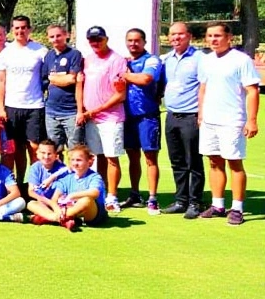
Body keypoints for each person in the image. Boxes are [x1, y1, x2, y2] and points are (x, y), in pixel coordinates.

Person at [195, 22, 259, 225]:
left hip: (232, 121)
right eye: (210, 36)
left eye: (217, 36)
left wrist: (252, 120)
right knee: (214, 162)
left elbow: (252, 91)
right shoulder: (205, 60)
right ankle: (218, 205)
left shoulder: (241, 60)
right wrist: (201, 113)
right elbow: (203, 89)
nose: (213, 40)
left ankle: (237, 208)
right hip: (209, 121)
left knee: (235, 163)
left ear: (229, 37)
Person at [78, 26, 128, 213]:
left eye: (98, 39)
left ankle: (113, 197)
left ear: (106, 39)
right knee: (98, 157)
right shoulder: (88, 60)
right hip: (91, 119)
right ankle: (101, 192)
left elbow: (120, 95)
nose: (95, 43)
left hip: (110, 117)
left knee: (111, 158)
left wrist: (95, 110)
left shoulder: (117, 60)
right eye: (92, 40)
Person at [159, 22, 204, 218]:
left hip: (191, 116)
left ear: (189, 36)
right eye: (172, 34)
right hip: (171, 116)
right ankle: (181, 200)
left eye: (180, 34)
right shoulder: (167, 59)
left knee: (193, 161)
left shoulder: (200, 58)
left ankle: (195, 202)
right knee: (176, 161)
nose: (176, 38)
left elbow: (205, 87)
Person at [0, 16, 47, 184]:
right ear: (12, 30)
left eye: (23, 27)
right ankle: (17, 184)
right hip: (12, 107)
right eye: (16, 28)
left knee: (34, 148)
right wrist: (1, 108)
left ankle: (36, 185)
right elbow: (1, 81)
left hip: (35, 106)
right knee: (15, 149)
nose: (20, 31)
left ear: (29, 29)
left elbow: (48, 77)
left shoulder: (40, 51)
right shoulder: (6, 53)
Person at [120, 28, 163, 214]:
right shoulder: (124, 61)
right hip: (128, 116)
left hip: (148, 116)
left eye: (137, 40)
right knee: (132, 157)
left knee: (150, 158)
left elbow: (146, 78)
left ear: (144, 42)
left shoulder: (152, 60)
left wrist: (126, 75)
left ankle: (153, 198)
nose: (133, 44)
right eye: (129, 40)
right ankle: (135, 194)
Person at [27, 145, 107, 231]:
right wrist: (58, 210)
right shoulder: (67, 178)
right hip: (67, 210)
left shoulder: (94, 177)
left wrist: (72, 196)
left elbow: (95, 193)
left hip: (91, 215)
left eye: (79, 160)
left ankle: (51, 218)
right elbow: (54, 200)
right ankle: (59, 219)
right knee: (31, 204)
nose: (75, 163)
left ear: (89, 162)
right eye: (73, 160)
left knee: (86, 200)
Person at [41, 23, 83, 153]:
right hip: (52, 111)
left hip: (71, 111)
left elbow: (71, 79)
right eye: (52, 36)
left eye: (58, 35)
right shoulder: (48, 56)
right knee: (54, 151)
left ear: (66, 35)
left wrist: (54, 78)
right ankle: (59, 174)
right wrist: (60, 78)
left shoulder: (74, 54)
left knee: (75, 150)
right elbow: (45, 80)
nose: (55, 39)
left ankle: (76, 174)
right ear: (48, 38)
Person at [25, 139, 69, 214]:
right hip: (43, 201)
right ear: (37, 154)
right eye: (43, 153)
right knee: (31, 204)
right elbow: (31, 191)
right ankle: (56, 217)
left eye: (49, 154)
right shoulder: (35, 167)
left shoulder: (62, 169)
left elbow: (65, 191)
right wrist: (47, 201)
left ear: (56, 155)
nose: (46, 156)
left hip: (59, 202)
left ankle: (51, 216)